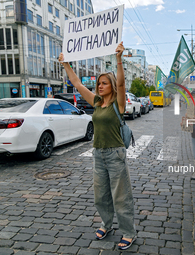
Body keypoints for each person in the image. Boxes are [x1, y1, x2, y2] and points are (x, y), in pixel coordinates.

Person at [58, 42, 137, 250]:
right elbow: (77, 83)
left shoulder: (117, 105)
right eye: (99, 83)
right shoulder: (95, 102)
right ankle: (107, 224)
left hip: (115, 154)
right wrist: (66, 64)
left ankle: (129, 232)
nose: (100, 86)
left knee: (120, 196)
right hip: (98, 154)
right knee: (100, 195)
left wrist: (118, 59)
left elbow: (121, 85)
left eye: (104, 83)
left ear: (110, 85)